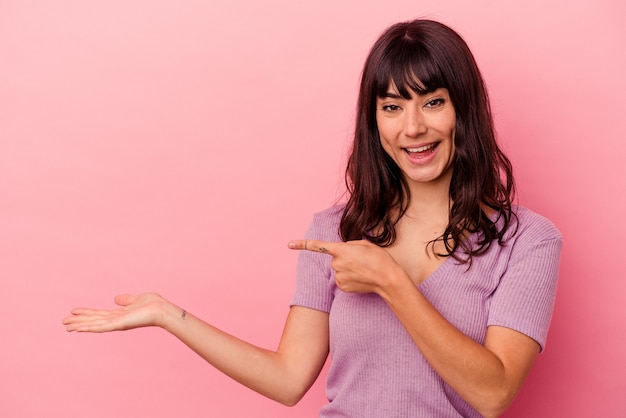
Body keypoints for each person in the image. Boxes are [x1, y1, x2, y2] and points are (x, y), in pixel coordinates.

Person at [63, 19, 562, 418]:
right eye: (392, 107)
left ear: (464, 110)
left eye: (433, 103)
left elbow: (494, 394)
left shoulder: (527, 242)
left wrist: (392, 282)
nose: (413, 128)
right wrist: (169, 315)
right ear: (375, 121)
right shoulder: (334, 232)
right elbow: (287, 379)